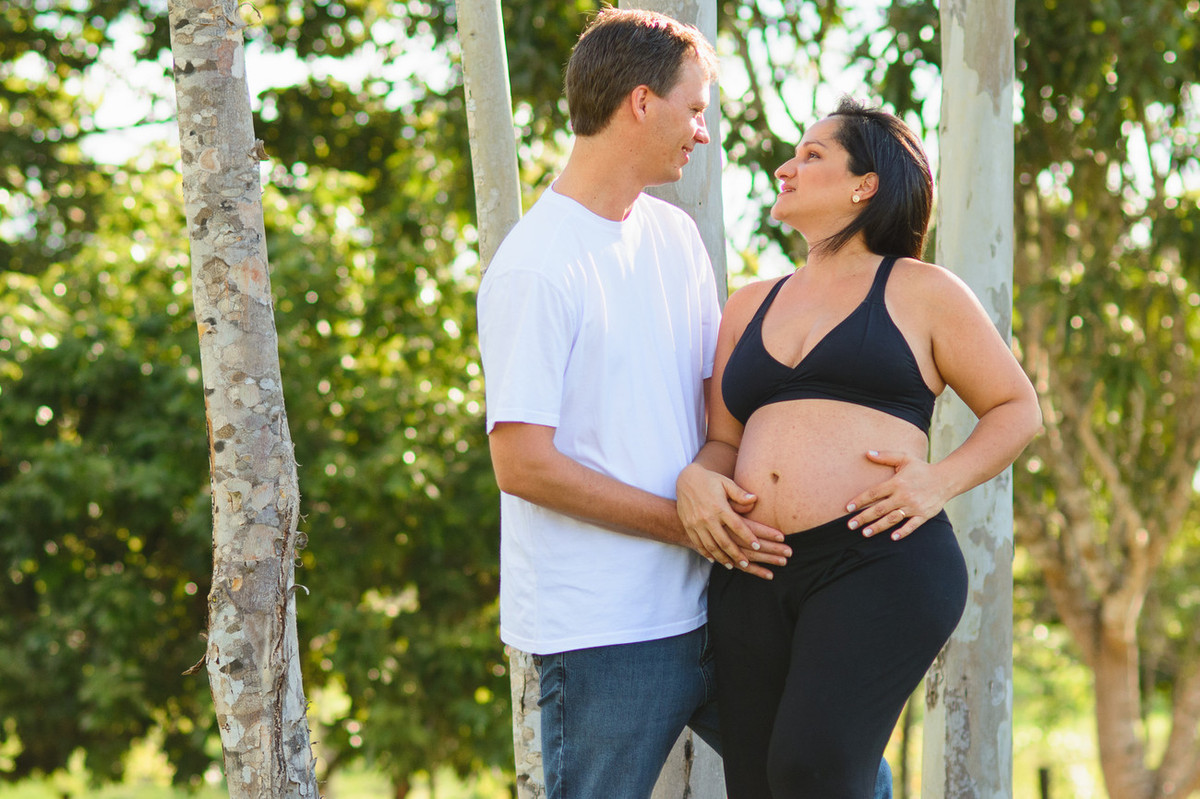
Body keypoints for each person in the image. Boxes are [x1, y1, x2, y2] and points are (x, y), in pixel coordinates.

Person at [676, 98, 1042, 798]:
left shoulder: (921, 290)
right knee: (757, 785)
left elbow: (1016, 407)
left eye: (812, 154)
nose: (787, 166)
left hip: (879, 561)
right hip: (753, 569)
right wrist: (697, 480)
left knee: (813, 772)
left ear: (864, 184)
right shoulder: (748, 305)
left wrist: (937, 481)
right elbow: (724, 439)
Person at [476, 9, 796, 798]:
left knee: (839, 775)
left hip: (713, 607)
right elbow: (521, 463)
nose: (703, 133)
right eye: (694, 110)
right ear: (641, 103)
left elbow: (709, 400)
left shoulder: (675, 237)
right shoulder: (537, 267)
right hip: (602, 637)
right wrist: (681, 519)